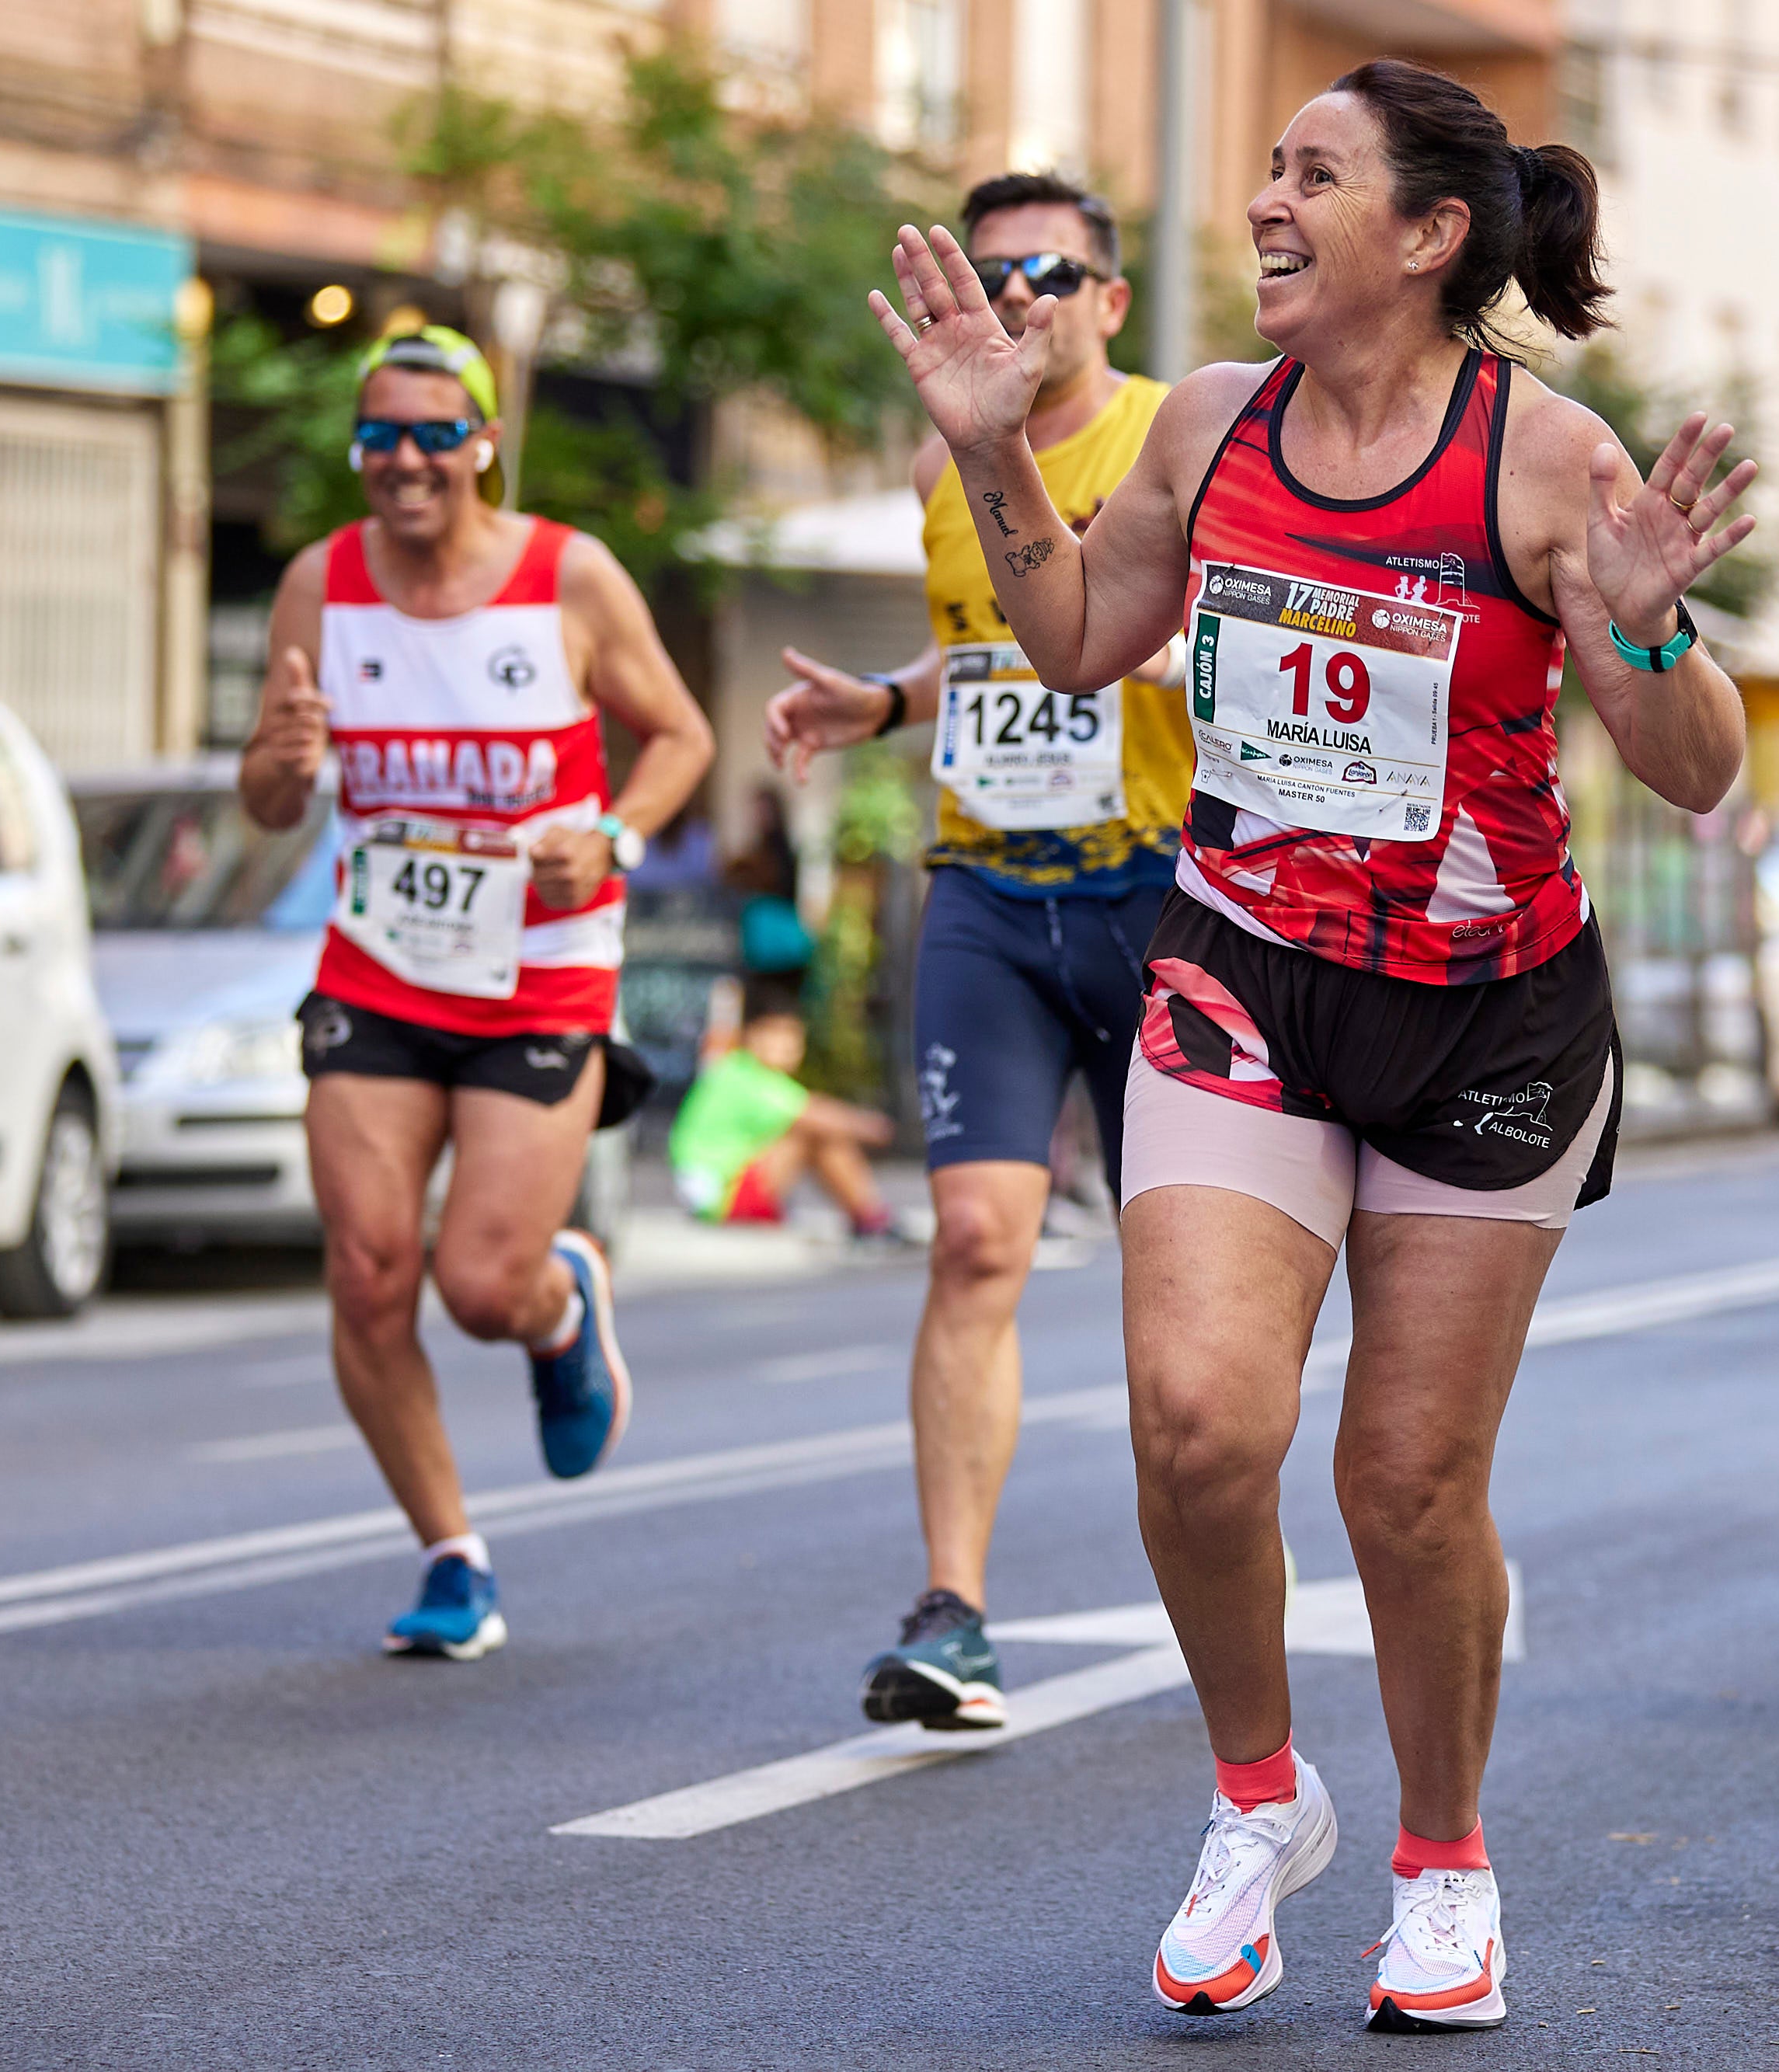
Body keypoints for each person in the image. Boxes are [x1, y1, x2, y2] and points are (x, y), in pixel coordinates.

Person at [871, 61, 1753, 2028]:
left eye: (1312, 176)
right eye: (1267, 170)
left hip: (1485, 1017)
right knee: (1196, 1423)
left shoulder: (1546, 458)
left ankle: (1443, 1862)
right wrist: (994, 454)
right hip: (1244, 971)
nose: (1265, 203)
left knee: (1404, 1481)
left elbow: (1694, 772)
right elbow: (1076, 638)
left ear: (1428, 235)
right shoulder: (1209, 423)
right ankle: (1258, 1799)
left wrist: (1648, 631)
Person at [766, 171, 1189, 1733]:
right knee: (970, 1241)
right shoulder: (945, 460)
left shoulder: (1174, 438)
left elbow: (1160, 624)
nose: (1020, 295)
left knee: (1182, 1279)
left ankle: (1222, 1575)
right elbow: (993, 638)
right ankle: (953, 1613)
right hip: (990, 895)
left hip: (1157, 894)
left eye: (1053, 273)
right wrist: (885, 701)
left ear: (1110, 300)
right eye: (996, 268)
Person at [238, 325, 714, 1661]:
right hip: (379, 966)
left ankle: (557, 1300)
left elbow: (683, 734)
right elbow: (269, 797)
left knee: (479, 1285)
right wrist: (280, 761)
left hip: (541, 972)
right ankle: (451, 1553)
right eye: (380, 434)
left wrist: (611, 836)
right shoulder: (320, 583)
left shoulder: (569, 575)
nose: (405, 459)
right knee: (368, 1270)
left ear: (485, 443)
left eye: (436, 433)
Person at [668, 977, 905, 1241]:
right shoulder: (746, 1078)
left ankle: (870, 1217)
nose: (786, 1045)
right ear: (751, 1036)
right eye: (776, 1034)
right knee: (814, 1132)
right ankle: (870, 1218)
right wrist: (878, 1128)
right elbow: (814, 1113)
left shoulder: (739, 1071)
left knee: (815, 1128)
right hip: (722, 1200)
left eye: (793, 1036)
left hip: (718, 1195)